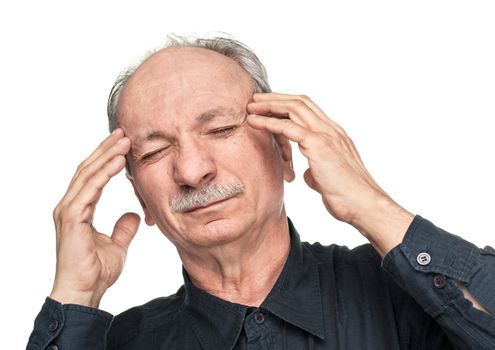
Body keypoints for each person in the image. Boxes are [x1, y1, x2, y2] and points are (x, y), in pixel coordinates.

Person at [27, 35, 495, 350]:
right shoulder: (124, 340)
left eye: (221, 128)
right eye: (154, 152)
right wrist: (75, 295)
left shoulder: (403, 293)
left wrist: (372, 206)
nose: (191, 170)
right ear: (141, 199)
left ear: (286, 154)